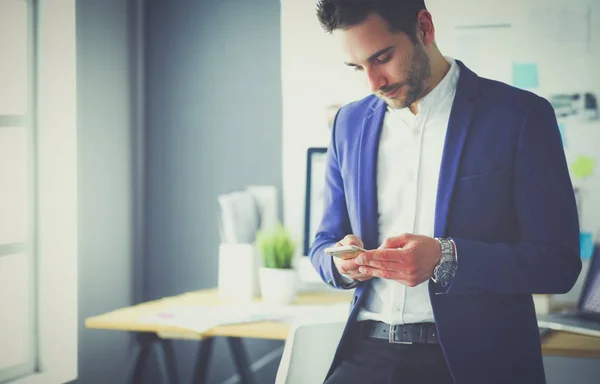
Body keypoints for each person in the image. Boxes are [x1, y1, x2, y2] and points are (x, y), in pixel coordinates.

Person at [308, 1, 582, 383]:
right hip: (365, 352)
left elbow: (559, 264)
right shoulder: (348, 124)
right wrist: (340, 263)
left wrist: (446, 258)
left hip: (477, 361)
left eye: (383, 57)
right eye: (358, 68)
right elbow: (321, 244)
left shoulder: (520, 116)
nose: (374, 83)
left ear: (424, 27)